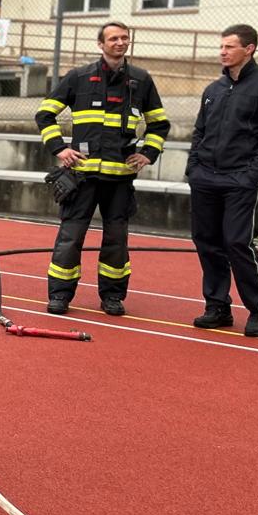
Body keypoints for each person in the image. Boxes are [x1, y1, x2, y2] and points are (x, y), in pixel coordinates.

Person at [34, 21, 170, 316]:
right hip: (82, 177)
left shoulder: (141, 80)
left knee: (116, 242)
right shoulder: (79, 77)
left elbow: (160, 123)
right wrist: (59, 149)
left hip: (120, 179)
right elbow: (45, 114)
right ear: (101, 44)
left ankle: (112, 297)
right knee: (70, 238)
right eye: (113, 39)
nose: (120, 43)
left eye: (124, 38)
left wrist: (148, 153)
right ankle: (59, 295)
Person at [185, 25, 258, 338]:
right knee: (207, 241)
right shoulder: (214, 90)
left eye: (230, 46)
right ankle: (217, 306)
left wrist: (251, 176)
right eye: (222, 46)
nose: (223, 52)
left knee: (236, 241)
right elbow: (199, 131)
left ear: (250, 49)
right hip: (206, 178)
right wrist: (194, 168)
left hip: (240, 180)